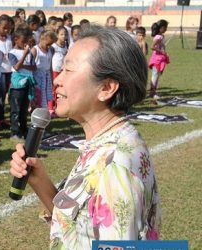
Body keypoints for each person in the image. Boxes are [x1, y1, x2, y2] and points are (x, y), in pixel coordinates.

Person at [9, 25, 161, 249]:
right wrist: (39, 181)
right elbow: (81, 228)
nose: (58, 80)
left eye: (68, 70)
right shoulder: (106, 141)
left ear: (106, 88)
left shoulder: (116, 165)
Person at [8, 27, 35, 141]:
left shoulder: (29, 52)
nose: (26, 43)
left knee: (24, 109)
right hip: (17, 85)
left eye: (27, 41)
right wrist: (24, 56)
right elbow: (16, 67)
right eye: (23, 41)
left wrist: (24, 63)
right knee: (16, 109)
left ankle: (24, 129)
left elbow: (34, 67)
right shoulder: (12, 53)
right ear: (16, 39)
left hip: (27, 83)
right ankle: (15, 132)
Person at [31, 30, 55, 109]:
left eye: (51, 44)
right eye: (47, 44)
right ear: (42, 39)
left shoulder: (50, 50)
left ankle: (43, 113)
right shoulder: (35, 50)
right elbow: (31, 67)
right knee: (38, 98)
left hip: (47, 77)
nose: (49, 46)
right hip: (37, 78)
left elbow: (50, 66)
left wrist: (52, 80)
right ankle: (36, 115)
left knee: (44, 98)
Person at [48, 26, 68, 117]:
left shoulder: (65, 45)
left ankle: (57, 107)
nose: (64, 36)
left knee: (60, 89)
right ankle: (50, 108)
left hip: (62, 70)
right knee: (53, 89)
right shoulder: (53, 46)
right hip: (54, 70)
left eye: (65, 34)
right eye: (61, 34)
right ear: (57, 35)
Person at [148, 19, 169, 100]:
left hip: (160, 58)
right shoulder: (159, 37)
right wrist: (161, 51)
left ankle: (153, 92)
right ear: (161, 28)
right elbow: (152, 47)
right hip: (157, 59)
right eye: (165, 27)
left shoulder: (161, 36)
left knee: (157, 76)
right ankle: (152, 93)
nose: (166, 29)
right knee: (155, 76)